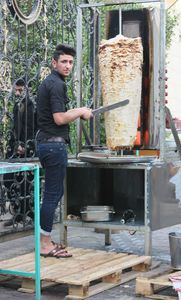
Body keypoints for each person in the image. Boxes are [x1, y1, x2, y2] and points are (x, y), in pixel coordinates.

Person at [36, 44, 93, 258]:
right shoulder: (56, 85)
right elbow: (59, 118)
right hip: (53, 145)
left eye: (70, 62)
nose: (68, 66)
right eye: (64, 62)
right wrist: (80, 111)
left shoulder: (51, 83)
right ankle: (44, 244)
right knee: (52, 195)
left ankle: (46, 240)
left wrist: (80, 111)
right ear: (54, 63)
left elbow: (56, 114)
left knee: (55, 193)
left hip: (48, 144)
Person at [4, 79, 36, 227]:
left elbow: (33, 128)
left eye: (20, 90)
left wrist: (25, 145)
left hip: (28, 148)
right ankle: (18, 213)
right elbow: (16, 127)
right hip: (15, 148)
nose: (17, 93)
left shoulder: (33, 106)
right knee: (9, 179)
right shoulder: (18, 105)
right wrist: (15, 144)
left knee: (27, 182)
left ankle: (29, 213)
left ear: (28, 89)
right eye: (16, 90)